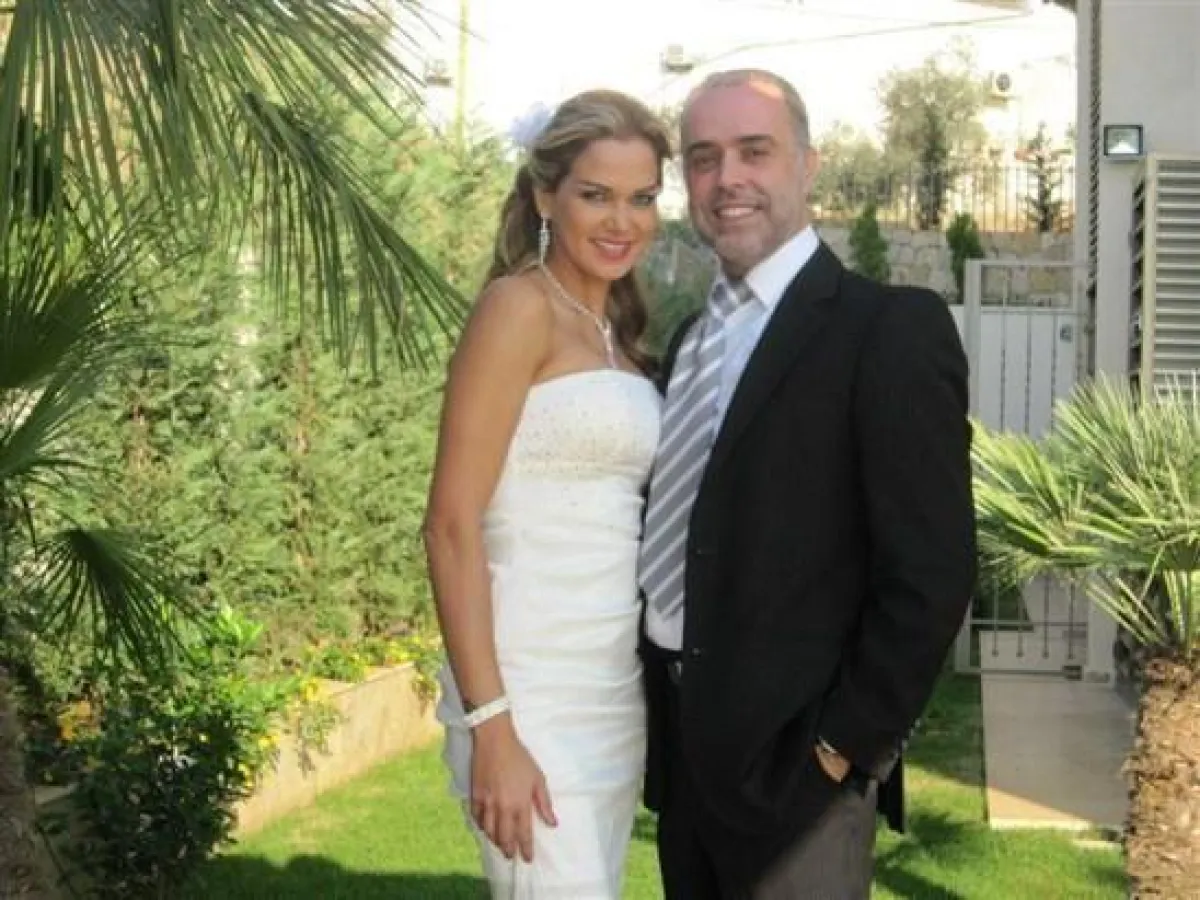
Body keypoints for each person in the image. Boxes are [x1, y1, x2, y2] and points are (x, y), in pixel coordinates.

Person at [638, 69, 976, 899]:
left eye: (755, 151)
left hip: (800, 787)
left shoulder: (887, 329)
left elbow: (932, 574)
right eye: (704, 158)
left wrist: (840, 747)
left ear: (809, 164)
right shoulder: (691, 341)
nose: (727, 178)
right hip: (683, 767)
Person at [423, 90, 671, 898]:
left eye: (641, 198)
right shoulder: (516, 309)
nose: (621, 221)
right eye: (596, 195)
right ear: (543, 197)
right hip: (527, 691)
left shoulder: (617, 334)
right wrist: (492, 727)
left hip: (612, 690)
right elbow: (450, 526)